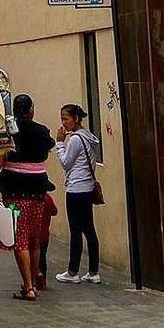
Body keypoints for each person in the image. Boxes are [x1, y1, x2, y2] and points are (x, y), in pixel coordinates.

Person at [0, 93, 53, 300]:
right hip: (38, 191)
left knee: (20, 240)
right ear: (31, 110)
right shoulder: (42, 131)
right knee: (34, 240)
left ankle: (28, 286)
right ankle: (32, 282)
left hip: (15, 191)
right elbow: (47, 149)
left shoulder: (8, 133)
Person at [54, 103, 101, 284]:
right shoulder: (89, 137)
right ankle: (93, 271)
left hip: (76, 189)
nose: (63, 123)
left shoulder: (75, 140)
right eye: (62, 119)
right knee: (89, 229)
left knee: (75, 230)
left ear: (76, 119)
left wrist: (59, 143)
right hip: (87, 187)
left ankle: (73, 271)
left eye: (66, 119)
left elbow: (66, 162)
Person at [36, 187, 58, 291]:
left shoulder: (32, 199)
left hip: (33, 234)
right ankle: (43, 279)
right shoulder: (47, 199)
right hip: (45, 235)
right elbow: (54, 211)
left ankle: (35, 274)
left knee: (33, 256)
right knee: (43, 257)